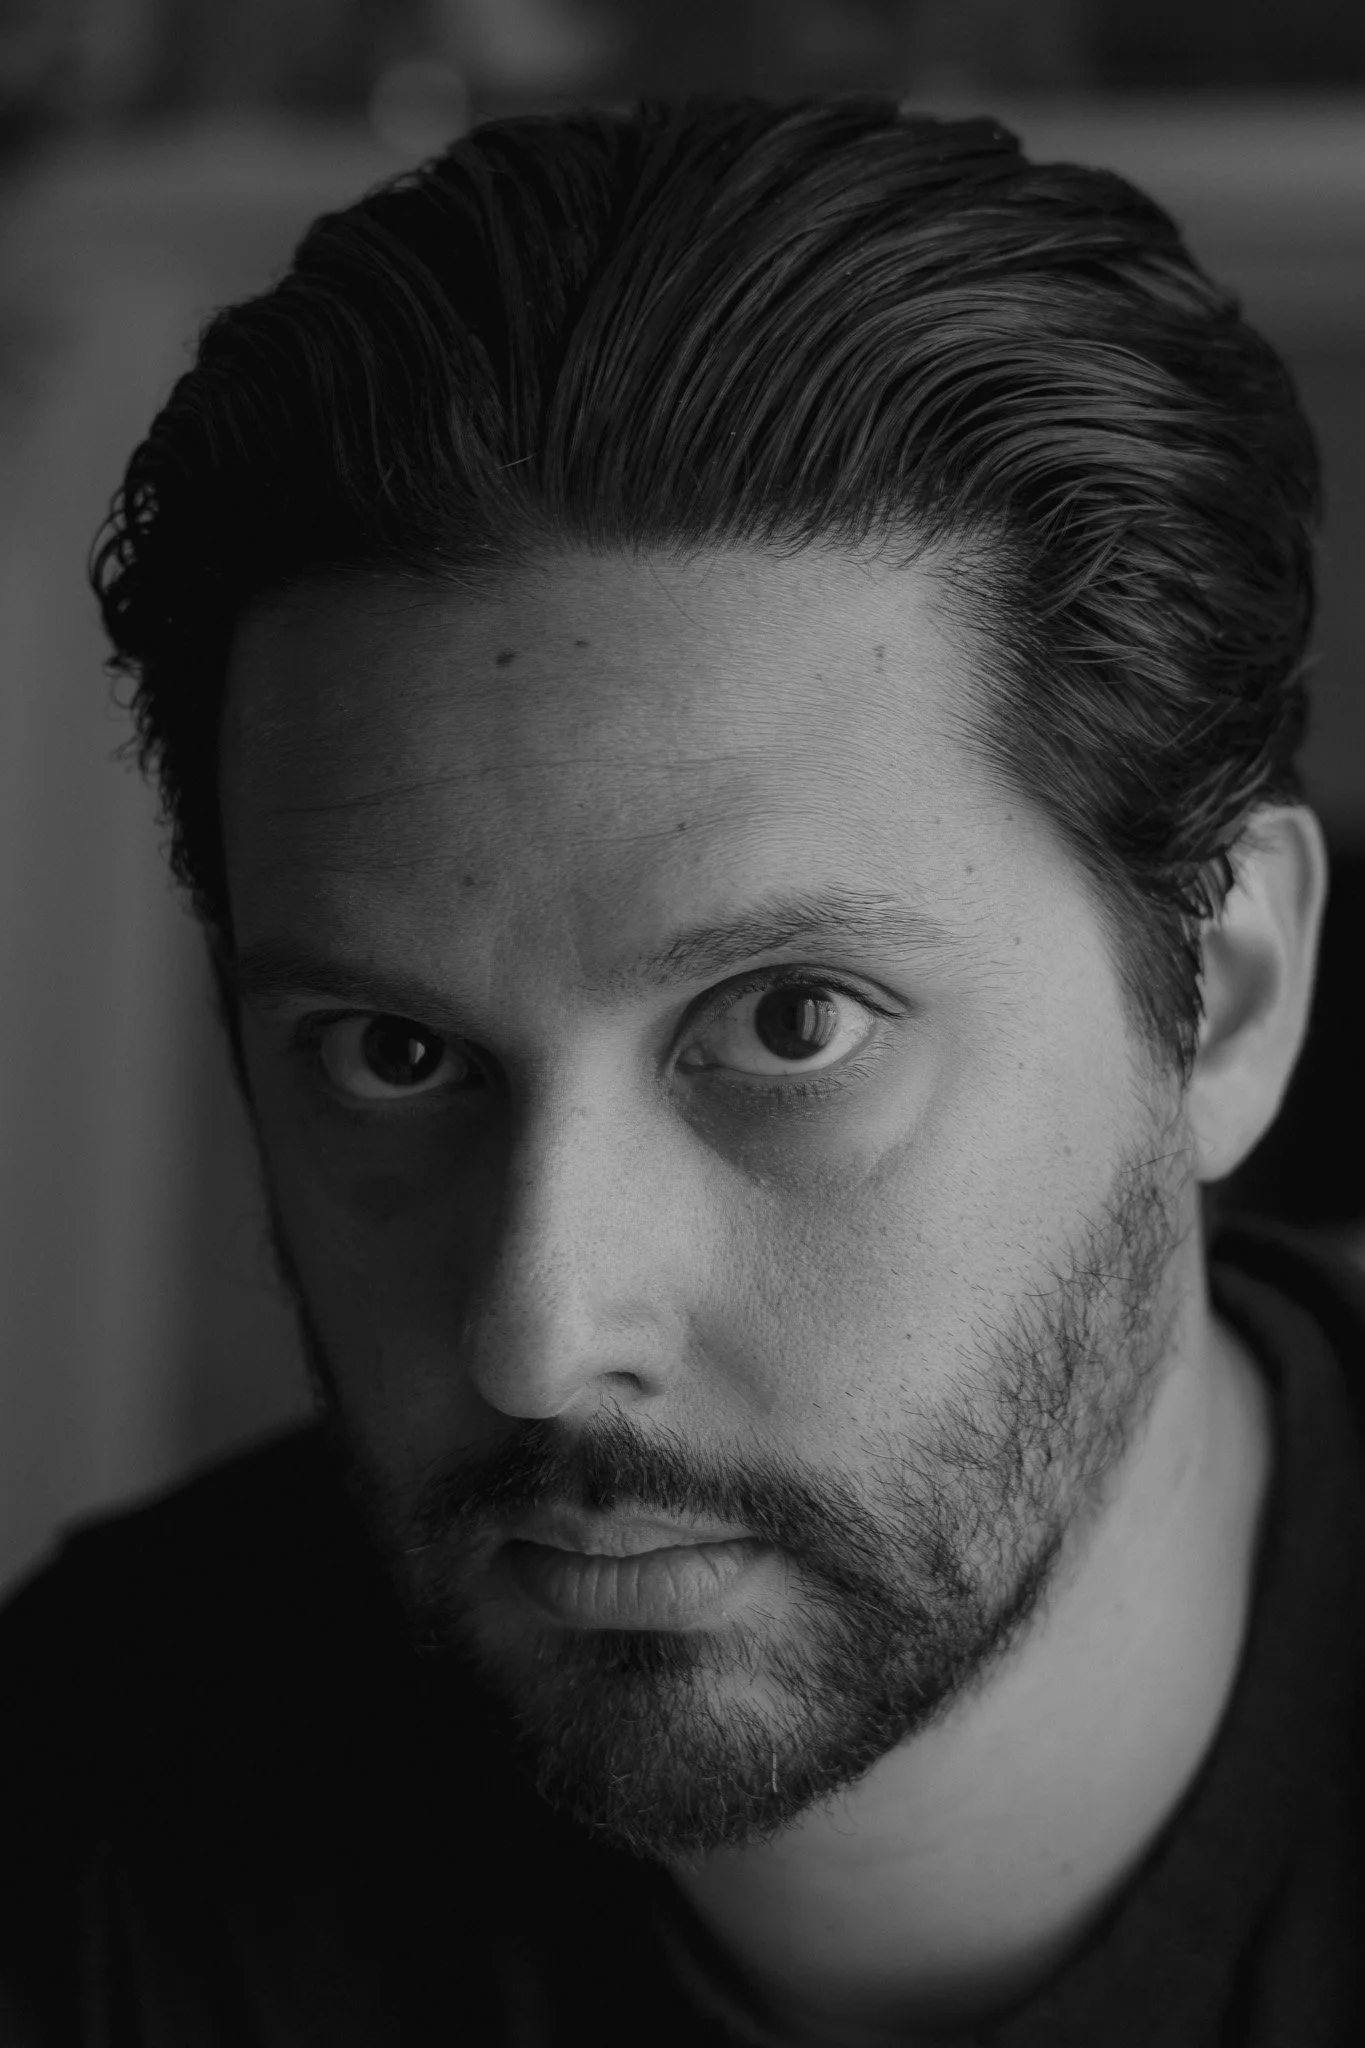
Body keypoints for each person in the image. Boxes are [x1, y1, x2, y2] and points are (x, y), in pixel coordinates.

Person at [2, 95, 1362, 2048]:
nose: (537, 1336)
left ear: (1219, 996)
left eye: (787, 1023)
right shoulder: (107, 1782)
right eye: (393, 1054)